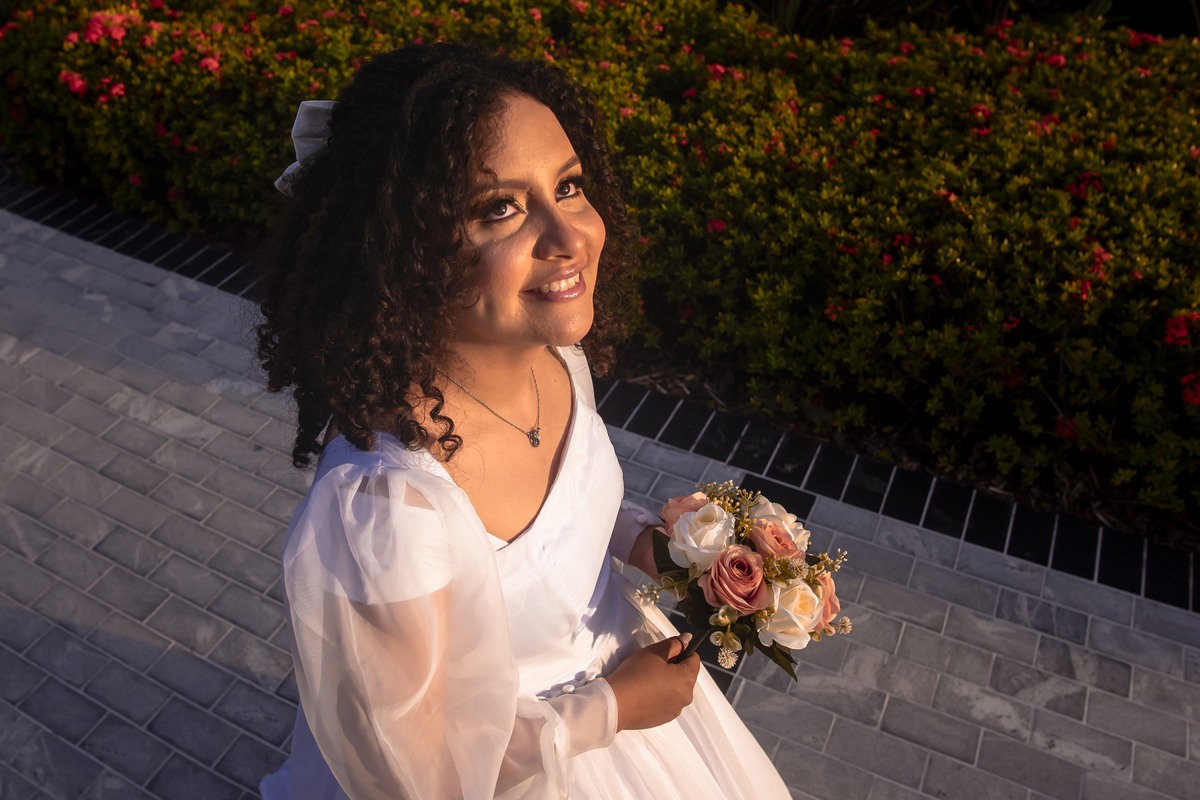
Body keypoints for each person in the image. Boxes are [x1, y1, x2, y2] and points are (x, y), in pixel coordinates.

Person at [254, 42, 792, 800]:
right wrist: (609, 709)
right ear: (404, 253)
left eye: (568, 185)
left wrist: (658, 547)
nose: (571, 235)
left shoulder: (555, 359)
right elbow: (418, 778)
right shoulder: (386, 513)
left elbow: (558, 530)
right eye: (498, 208)